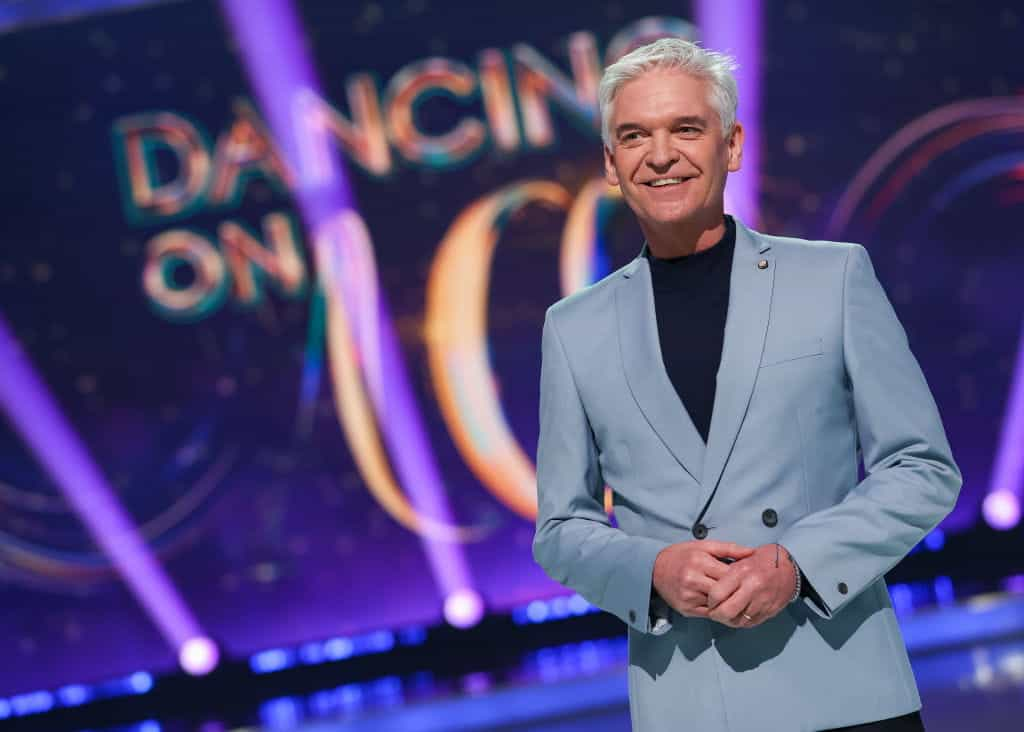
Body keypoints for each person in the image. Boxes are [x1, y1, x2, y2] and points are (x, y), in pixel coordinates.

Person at [532, 37, 961, 732]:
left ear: (731, 146)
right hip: (693, 705)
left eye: (686, 129)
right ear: (612, 164)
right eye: (635, 135)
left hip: (844, 686)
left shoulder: (833, 279)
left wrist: (798, 564)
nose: (661, 154)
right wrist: (651, 572)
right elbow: (560, 527)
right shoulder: (574, 328)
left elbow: (922, 469)